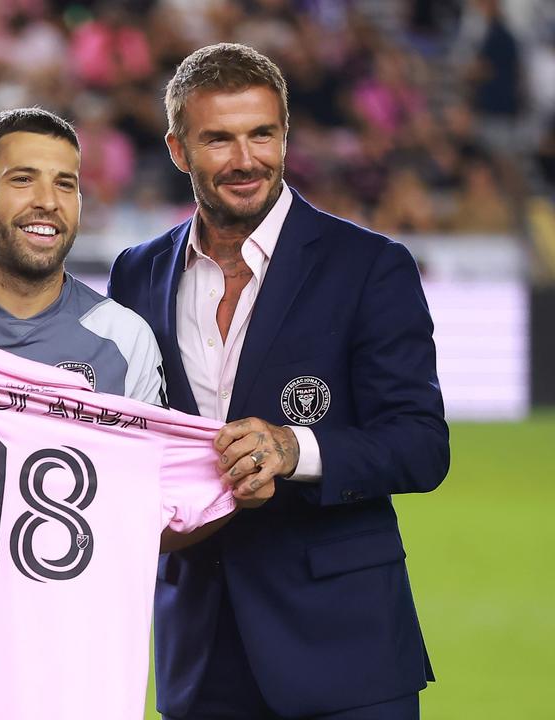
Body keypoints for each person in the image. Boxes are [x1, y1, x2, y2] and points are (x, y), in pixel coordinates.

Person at [0, 107, 258, 719]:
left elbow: (148, 512)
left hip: (71, 681)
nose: (48, 200)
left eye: (66, 184)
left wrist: (232, 488)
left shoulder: (124, 341)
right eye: (22, 179)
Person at [108, 43, 450, 720]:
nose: (245, 160)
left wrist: (296, 450)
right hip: (198, 649)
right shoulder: (136, 273)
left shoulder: (369, 266)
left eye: (262, 134)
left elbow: (420, 444)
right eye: (219, 139)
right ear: (178, 151)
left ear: (286, 136)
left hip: (345, 652)